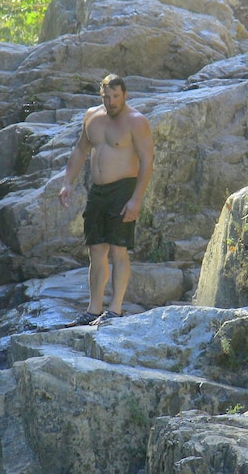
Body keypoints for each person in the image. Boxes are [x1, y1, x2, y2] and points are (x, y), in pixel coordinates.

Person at [58, 74, 154, 327]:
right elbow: (80, 149)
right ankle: (93, 309)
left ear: (124, 95)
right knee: (96, 250)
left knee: (118, 250)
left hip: (123, 189)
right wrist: (67, 182)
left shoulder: (136, 121)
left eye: (116, 97)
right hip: (98, 191)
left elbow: (147, 162)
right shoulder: (92, 116)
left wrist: (136, 199)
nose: (111, 102)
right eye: (106, 97)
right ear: (101, 96)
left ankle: (115, 309)